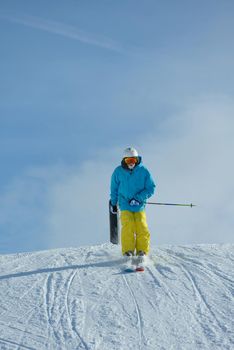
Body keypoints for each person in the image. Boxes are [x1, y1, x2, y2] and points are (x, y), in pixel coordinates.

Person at [110, 147, 156, 260]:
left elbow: (150, 188)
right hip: (124, 203)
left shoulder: (143, 171)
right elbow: (114, 189)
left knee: (141, 225)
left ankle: (142, 251)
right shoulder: (118, 172)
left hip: (139, 205)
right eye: (128, 161)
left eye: (133, 160)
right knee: (128, 225)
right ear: (124, 160)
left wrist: (139, 198)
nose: (131, 163)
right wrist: (114, 203)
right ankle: (128, 251)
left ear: (137, 160)